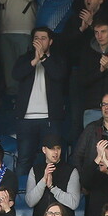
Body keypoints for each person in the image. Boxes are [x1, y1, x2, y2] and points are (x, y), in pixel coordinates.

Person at [12, 28, 65, 179]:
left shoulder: (57, 59)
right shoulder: (25, 59)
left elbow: (58, 74)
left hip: (50, 119)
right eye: (37, 38)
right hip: (26, 119)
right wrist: (34, 60)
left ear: (51, 42)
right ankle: (20, 196)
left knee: (50, 160)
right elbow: (16, 74)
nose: (40, 41)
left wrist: (43, 58)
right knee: (24, 159)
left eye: (43, 38)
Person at [25, 134, 80, 216]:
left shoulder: (71, 170)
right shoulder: (35, 170)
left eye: (58, 148)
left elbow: (73, 203)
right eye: (51, 148)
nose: (55, 152)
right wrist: (43, 181)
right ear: (44, 150)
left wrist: (52, 188)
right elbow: (30, 201)